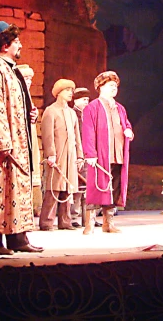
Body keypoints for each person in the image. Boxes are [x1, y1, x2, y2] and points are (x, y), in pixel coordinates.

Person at [0, 21, 41, 255]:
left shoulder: (11, 69)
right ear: (5, 45)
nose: (20, 45)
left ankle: (17, 238)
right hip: (2, 146)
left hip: (18, 140)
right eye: (17, 42)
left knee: (15, 190)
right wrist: (4, 143)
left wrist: (29, 114)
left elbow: (15, 103)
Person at [81, 71, 134, 235]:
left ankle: (108, 223)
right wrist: (90, 153)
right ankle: (89, 223)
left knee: (114, 188)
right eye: (110, 85)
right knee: (96, 187)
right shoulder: (92, 107)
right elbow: (88, 131)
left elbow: (126, 124)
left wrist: (128, 130)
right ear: (101, 87)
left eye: (115, 86)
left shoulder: (120, 108)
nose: (114, 89)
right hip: (100, 156)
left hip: (117, 154)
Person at [39, 79, 83, 230]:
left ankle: (66, 221)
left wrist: (80, 155)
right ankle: (46, 222)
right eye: (67, 90)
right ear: (58, 93)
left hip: (70, 156)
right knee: (54, 187)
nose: (70, 93)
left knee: (68, 188)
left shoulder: (71, 113)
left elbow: (77, 136)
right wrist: (50, 154)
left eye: (71, 90)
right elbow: (47, 135)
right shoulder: (51, 111)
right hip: (58, 156)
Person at [17, 64, 43, 215]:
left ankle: (33, 209)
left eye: (30, 79)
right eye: (25, 78)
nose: (28, 81)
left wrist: (34, 115)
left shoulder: (28, 97)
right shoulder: (16, 96)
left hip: (31, 140)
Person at [70, 87, 91, 227]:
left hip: (88, 154)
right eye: (84, 100)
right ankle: (74, 217)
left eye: (88, 100)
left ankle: (88, 218)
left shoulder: (88, 114)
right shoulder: (72, 114)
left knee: (88, 186)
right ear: (76, 99)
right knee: (77, 187)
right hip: (77, 154)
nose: (86, 102)